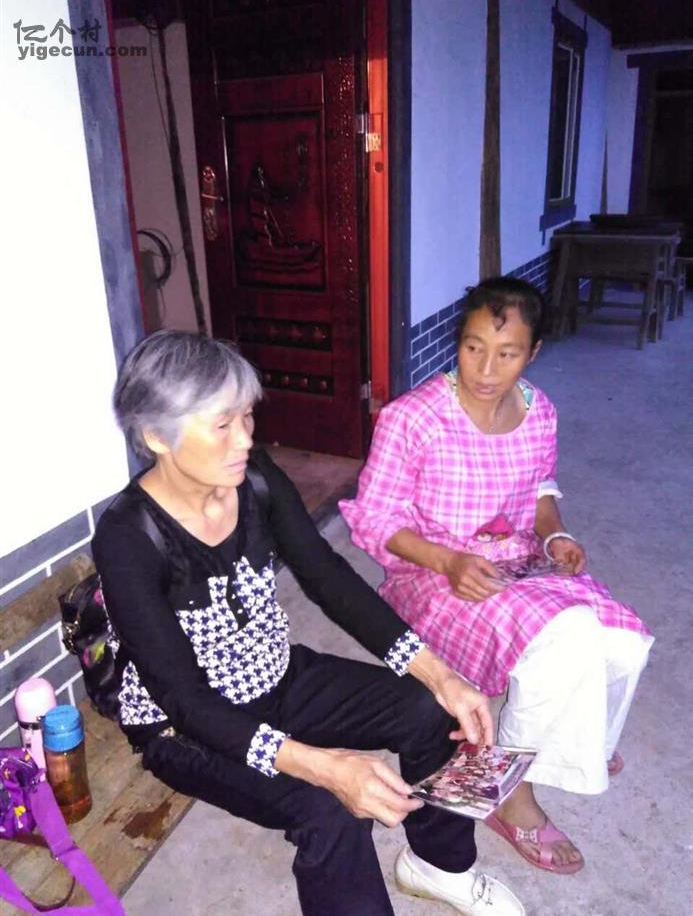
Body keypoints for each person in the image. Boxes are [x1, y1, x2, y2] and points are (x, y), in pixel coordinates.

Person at [92, 329, 525, 916]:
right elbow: (186, 701)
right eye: (222, 425)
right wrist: (325, 765)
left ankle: (438, 866)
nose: (246, 437)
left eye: (247, 416)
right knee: (329, 810)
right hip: (187, 729)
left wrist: (438, 673)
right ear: (155, 436)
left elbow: (326, 576)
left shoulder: (255, 478)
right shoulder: (127, 537)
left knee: (431, 708)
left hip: (278, 675)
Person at [340, 277, 653, 875]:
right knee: (567, 642)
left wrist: (555, 535)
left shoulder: (538, 410)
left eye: (507, 353)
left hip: (518, 558)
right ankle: (508, 793)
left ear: (533, 353)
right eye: (473, 347)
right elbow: (373, 519)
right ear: (457, 342)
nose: (486, 369)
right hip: (433, 574)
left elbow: (540, 490)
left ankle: (577, 738)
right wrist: (448, 562)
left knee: (623, 641)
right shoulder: (413, 418)